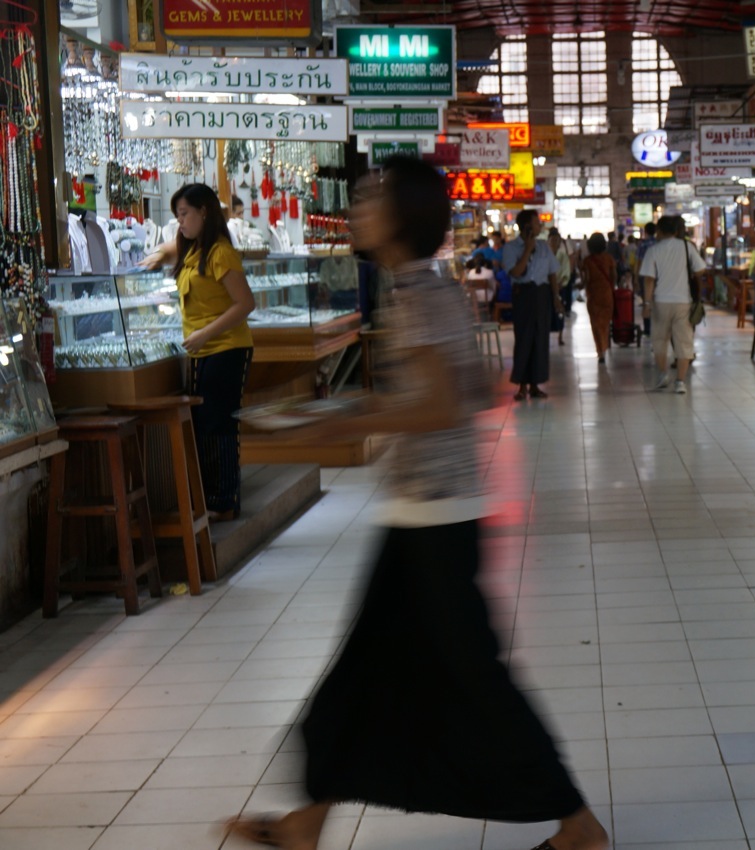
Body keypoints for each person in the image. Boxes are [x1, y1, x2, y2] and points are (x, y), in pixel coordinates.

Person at [222, 157, 608, 850]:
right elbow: (456, 390)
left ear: (401, 217)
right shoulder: (416, 288)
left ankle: (576, 825)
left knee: (474, 683)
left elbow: (435, 404)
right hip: (422, 514)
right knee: (364, 679)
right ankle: (306, 824)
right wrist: (349, 411)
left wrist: (336, 421)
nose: (359, 209)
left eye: (371, 199)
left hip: (439, 517)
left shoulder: (421, 296)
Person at [140, 184, 255, 520]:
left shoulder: (220, 253)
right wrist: (159, 254)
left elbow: (246, 303)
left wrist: (205, 333)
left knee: (220, 425)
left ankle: (224, 501)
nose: (181, 222)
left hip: (227, 349)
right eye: (177, 216)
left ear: (204, 212)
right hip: (202, 350)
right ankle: (210, 498)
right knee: (204, 424)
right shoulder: (190, 250)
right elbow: (168, 248)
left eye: (185, 214)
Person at [639, 215, 704, 394]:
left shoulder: (653, 250)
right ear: (676, 231)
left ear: (659, 231)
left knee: (660, 341)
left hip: (661, 302)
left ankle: (663, 374)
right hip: (683, 301)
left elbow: (649, 280)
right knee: (684, 341)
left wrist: (646, 303)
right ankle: (680, 382)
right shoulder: (687, 247)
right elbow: (701, 269)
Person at [503, 209, 559, 400]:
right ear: (526, 226)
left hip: (541, 295)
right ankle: (522, 385)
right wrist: (527, 249)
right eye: (536, 223)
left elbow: (552, 273)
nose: (539, 226)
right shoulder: (511, 248)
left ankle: (535, 384)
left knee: (540, 338)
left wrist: (556, 297)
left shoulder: (544, 247)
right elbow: (516, 272)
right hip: (523, 295)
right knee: (524, 338)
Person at [580, 233, 616, 364]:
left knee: (595, 324)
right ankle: (605, 347)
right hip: (607, 295)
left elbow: (586, 279)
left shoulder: (587, 261)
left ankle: (600, 351)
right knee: (605, 323)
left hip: (593, 295)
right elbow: (613, 276)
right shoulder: (609, 259)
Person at [547, 227, 572, 346]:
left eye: (557, 240)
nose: (555, 243)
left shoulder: (562, 255)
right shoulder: (545, 255)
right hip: (547, 288)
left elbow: (566, 271)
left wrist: (562, 283)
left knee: (560, 311)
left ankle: (560, 336)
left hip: (560, 287)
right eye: (552, 240)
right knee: (547, 313)